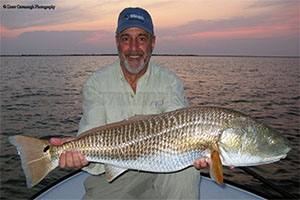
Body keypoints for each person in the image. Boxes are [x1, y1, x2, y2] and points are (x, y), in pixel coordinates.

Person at [50, 7, 210, 199]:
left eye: (141, 38)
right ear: (117, 42)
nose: (134, 47)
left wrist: (206, 153)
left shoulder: (170, 81)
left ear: (153, 43)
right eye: (126, 38)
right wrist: (76, 154)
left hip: (164, 167)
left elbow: (181, 133)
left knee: (187, 172)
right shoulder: (96, 83)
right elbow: (91, 134)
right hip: (114, 175)